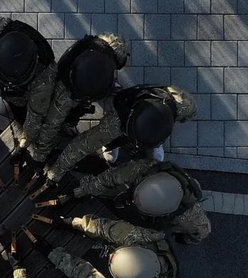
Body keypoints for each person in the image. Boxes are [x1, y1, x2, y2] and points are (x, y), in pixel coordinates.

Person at [35, 213, 179, 278]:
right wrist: (71, 222)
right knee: (112, 232)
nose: (109, 256)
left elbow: (84, 274)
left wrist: (53, 255)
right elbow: (101, 227)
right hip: (141, 259)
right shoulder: (135, 237)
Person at [45, 84, 197, 183]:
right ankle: (110, 153)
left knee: (83, 145)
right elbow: (152, 141)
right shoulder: (166, 123)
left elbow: (126, 95)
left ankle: (55, 172)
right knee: (154, 158)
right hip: (128, 129)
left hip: (118, 118)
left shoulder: (156, 91)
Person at [31, 33, 129, 167]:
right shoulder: (107, 69)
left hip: (64, 79)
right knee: (54, 122)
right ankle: (41, 155)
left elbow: (66, 59)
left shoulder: (88, 43)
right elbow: (99, 94)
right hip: (71, 92)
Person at [71, 159, 211, 244]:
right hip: (144, 190)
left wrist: (80, 223)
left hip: (157, 217)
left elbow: (113, 231)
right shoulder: (147, 169)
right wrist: (84, 190)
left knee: (124, 234)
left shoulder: (160, 228)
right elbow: (112, 177)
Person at [0, 17, 56, 149]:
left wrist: (27, 137)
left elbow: (35, 115)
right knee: (2, 107)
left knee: (37, 117)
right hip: (12, 94)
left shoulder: (44, 79)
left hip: (29, 96)